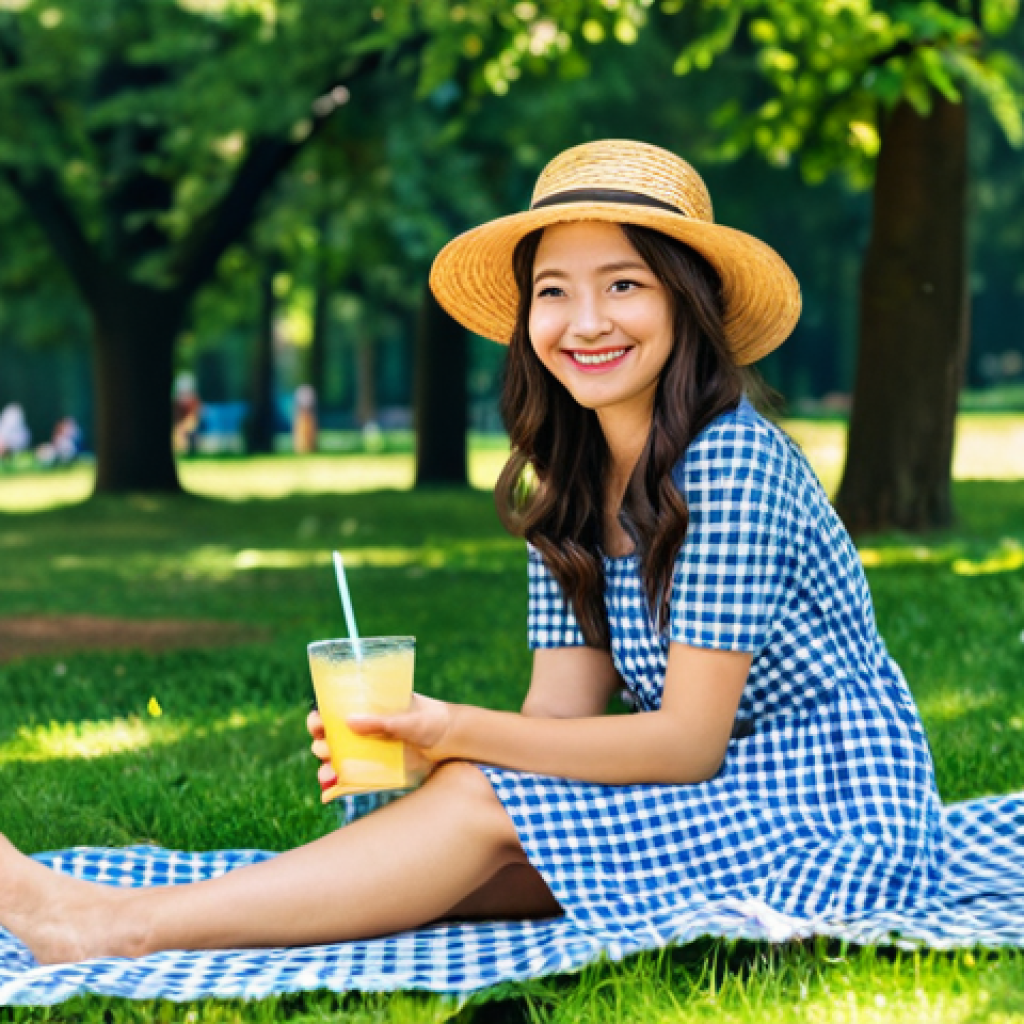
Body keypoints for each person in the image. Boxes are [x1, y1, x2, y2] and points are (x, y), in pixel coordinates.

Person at [0, 140, 944, 966]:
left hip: (829, 808)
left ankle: (108, 929)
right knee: (466, 808)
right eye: (553, 292)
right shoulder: (570, 476)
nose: (585, 322)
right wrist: (426, 756)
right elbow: (556, 723)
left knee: (476, 799)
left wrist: (451, 731)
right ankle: (139, 916)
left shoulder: (731, 464)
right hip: (721, 794)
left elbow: (686, 745)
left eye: (624, 285)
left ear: (686, 303)